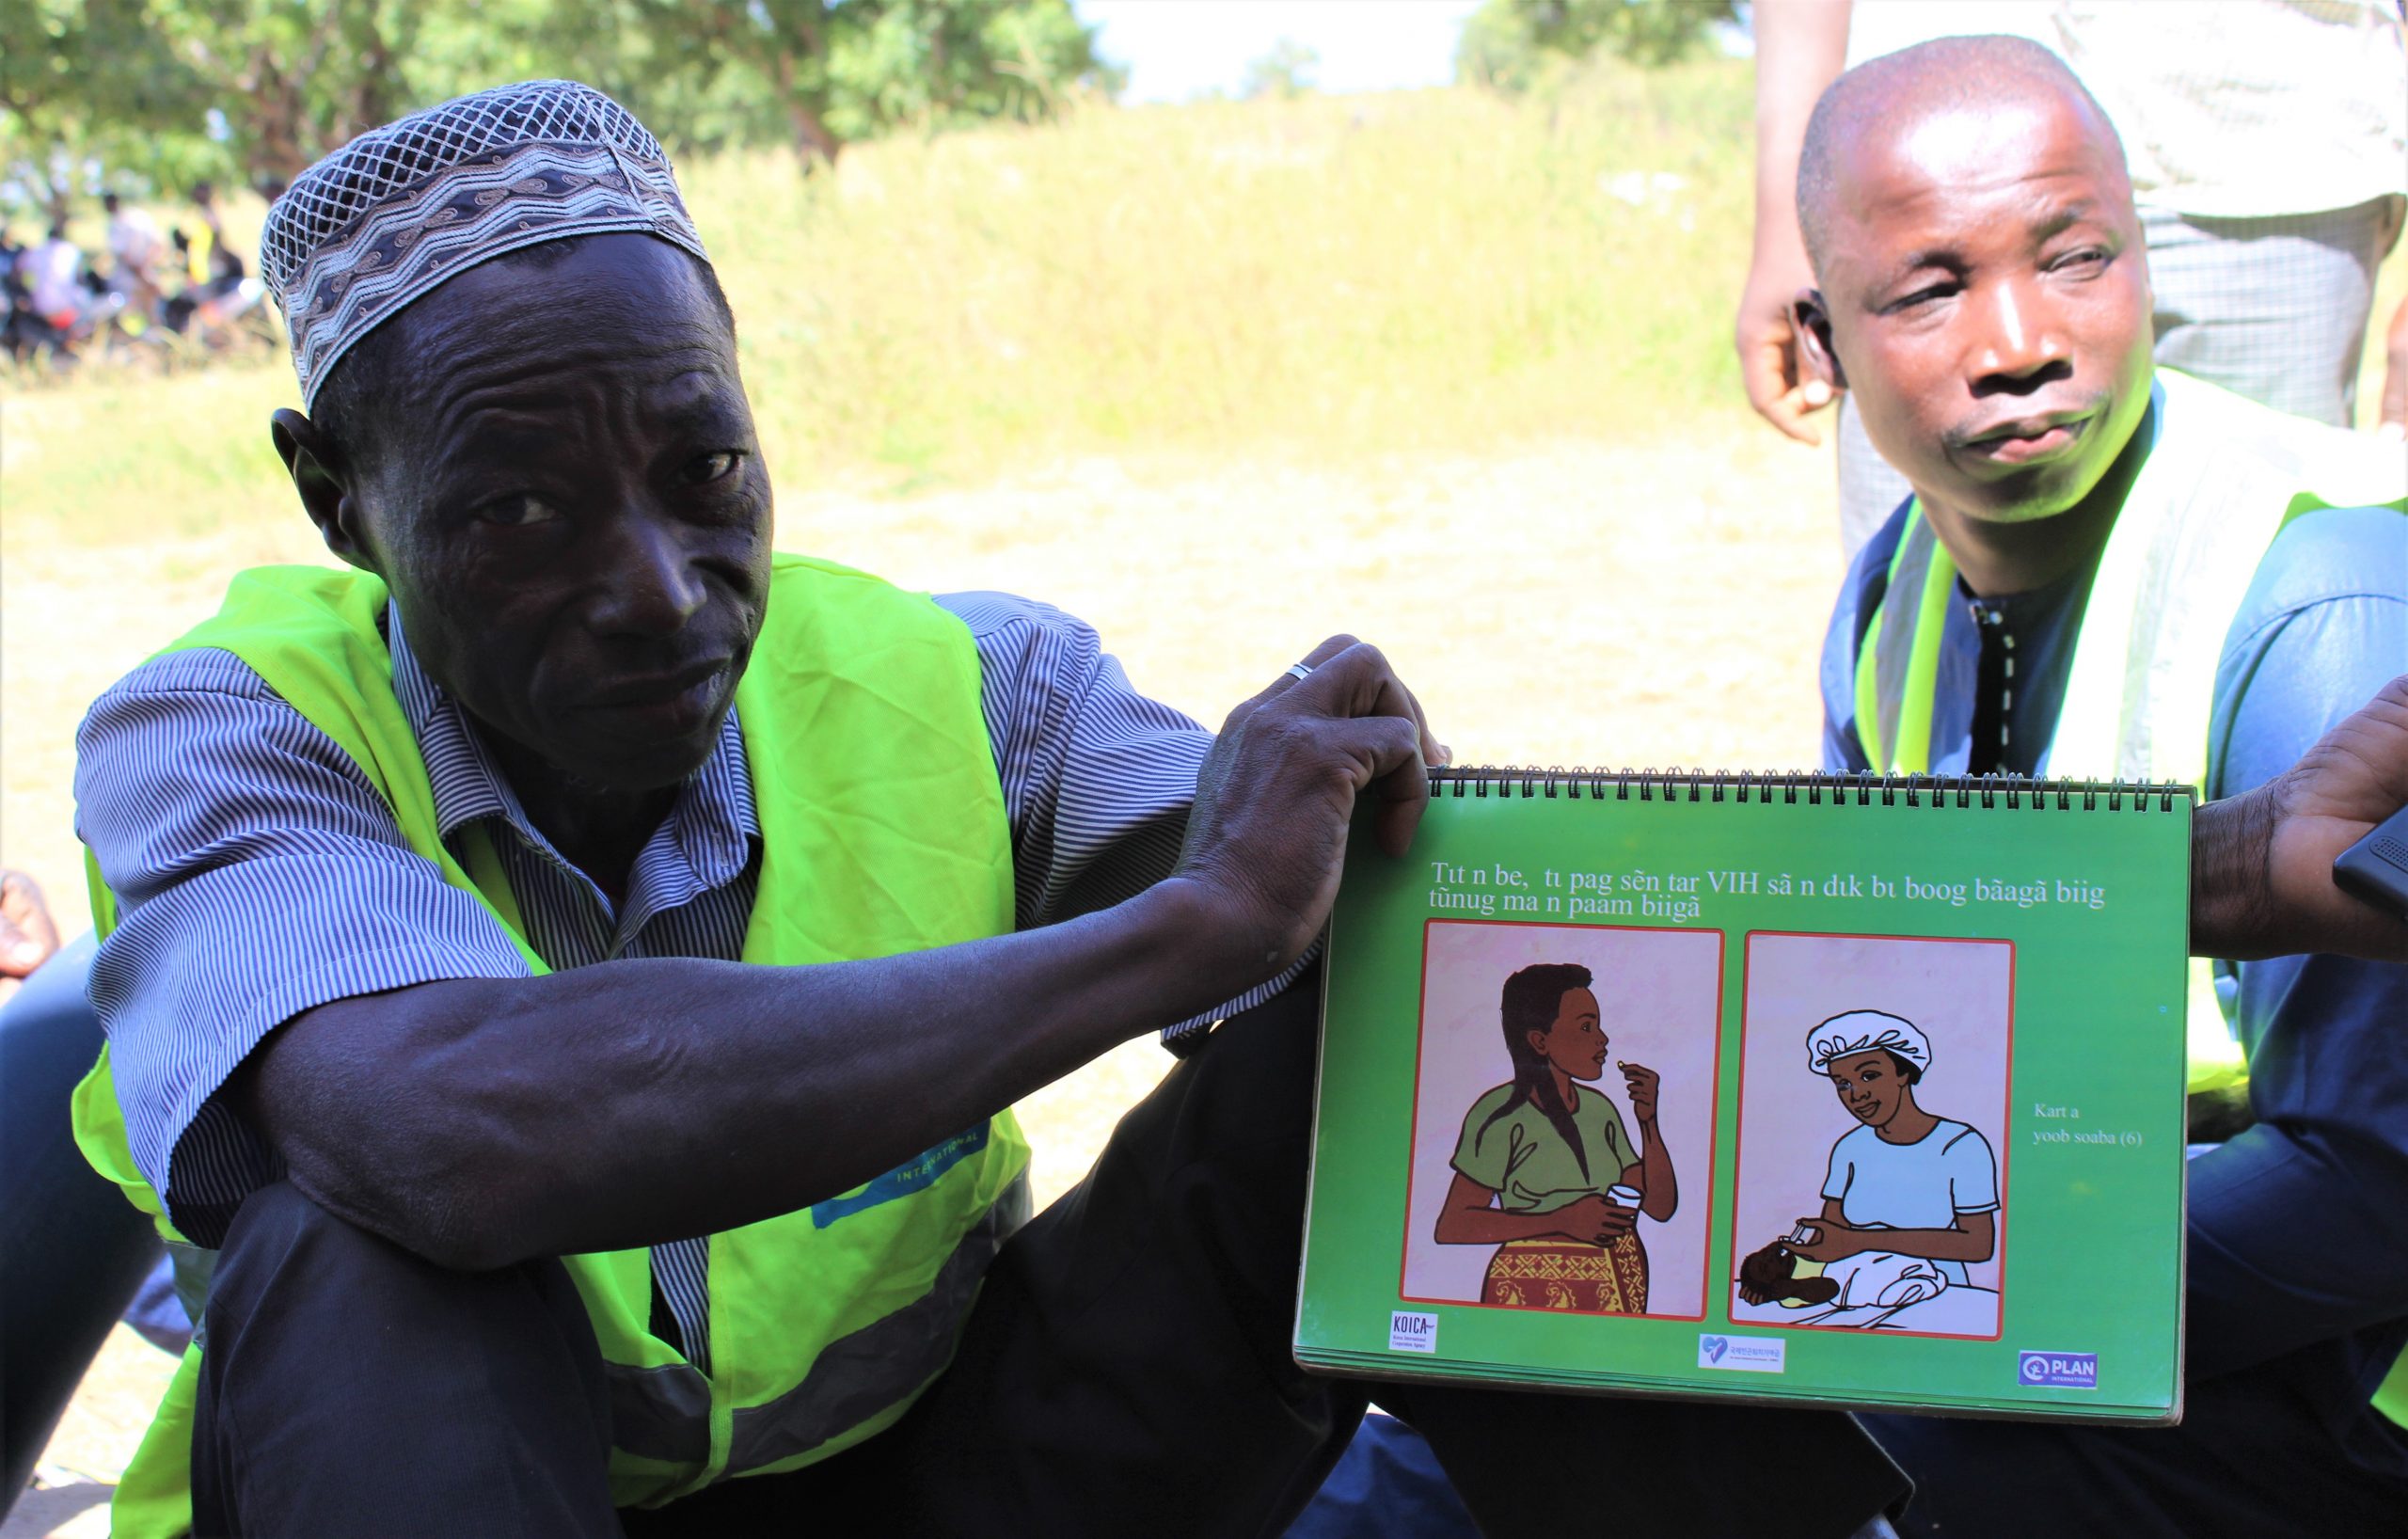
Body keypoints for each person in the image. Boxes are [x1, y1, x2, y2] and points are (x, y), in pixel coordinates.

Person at [69, 80, 1917, 1539]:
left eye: (704, 466)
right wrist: (1176, 932)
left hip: (935, 1476)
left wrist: (2154, 888)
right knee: (358, 1223)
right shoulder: (224, 731)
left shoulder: (976, 685)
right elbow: (442, 1131)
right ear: (334, 497)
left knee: (1425, 1033)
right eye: (518, 513)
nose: (655, 583)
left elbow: (1407, 946)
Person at [1789, 36, 2408, 1534]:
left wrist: (1922, 1299)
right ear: (1820, 341)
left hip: (2341, 1389)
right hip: (2088, 1277)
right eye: (1931, 287)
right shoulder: (1892, 597)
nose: (2018, 338)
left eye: (2077, 260)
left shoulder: (2323, 602)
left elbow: (2377, 1189)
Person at [1738, 0, 2408, 554]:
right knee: (1931, 619)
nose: (2018, 349)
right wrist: (1786, 209)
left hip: (2252, 155)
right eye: (1932, 296)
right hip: (1904, 165)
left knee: (2265, 571)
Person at [1434, 962, 1674, 1314]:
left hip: (1618, 1286)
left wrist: (1649, 1122)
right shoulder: (1500, 1115)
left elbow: (1659, 1206)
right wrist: (1563, 1220)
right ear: (1540, 1040)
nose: (1602, 1039)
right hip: (1532, 1291)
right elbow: (1453, 1225)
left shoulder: (1600, 1110)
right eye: (1586, 1027)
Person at [1778, 1012, 1997, 1315]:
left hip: (1941, 1300)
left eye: (1869, 1076)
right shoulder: (1849, 1148)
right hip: (1859, 1297)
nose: (1856, 1095)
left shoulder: (1961, 1146)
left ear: (1903, 1073)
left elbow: (1978, 1245)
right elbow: (1833, 1235)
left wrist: (1858, 1241)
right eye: (1842, 1084)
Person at [103, 192, 166, 313]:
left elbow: (127, 259)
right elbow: (159, 245)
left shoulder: (117, 225)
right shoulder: (139, 216)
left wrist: (144, 277)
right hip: (146, 278)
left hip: (129, 285)